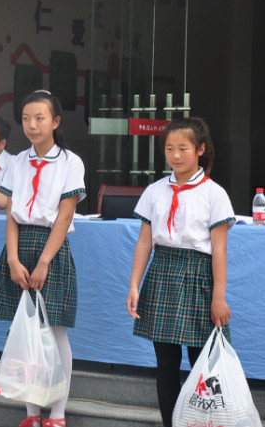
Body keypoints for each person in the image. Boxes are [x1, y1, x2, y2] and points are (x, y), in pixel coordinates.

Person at [126, 117, 233, 427]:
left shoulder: (214, 193)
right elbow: (144, 241)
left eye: (183, 148)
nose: (175, 155)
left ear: (200, 149)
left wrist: (219, 298)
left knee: (204, 363)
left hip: (199, 277)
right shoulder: (155, 191)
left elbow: (219, 250)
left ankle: (203, 423)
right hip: (162, 274)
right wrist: (134, 285)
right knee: (166, 364)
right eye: (169, 148)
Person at [0, 90, 85, 427]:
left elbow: (65, 216)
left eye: (40, 118)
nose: (32, 125)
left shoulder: (70, 162)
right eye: (26, 118)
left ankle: (57, 413)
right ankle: (31, 412)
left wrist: (44, 262)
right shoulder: (17, 162)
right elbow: (11, 213)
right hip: (20, 247)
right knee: (25, 330)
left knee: (55, 332)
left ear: (55, 122)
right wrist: (13, 260)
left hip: (51, 248)